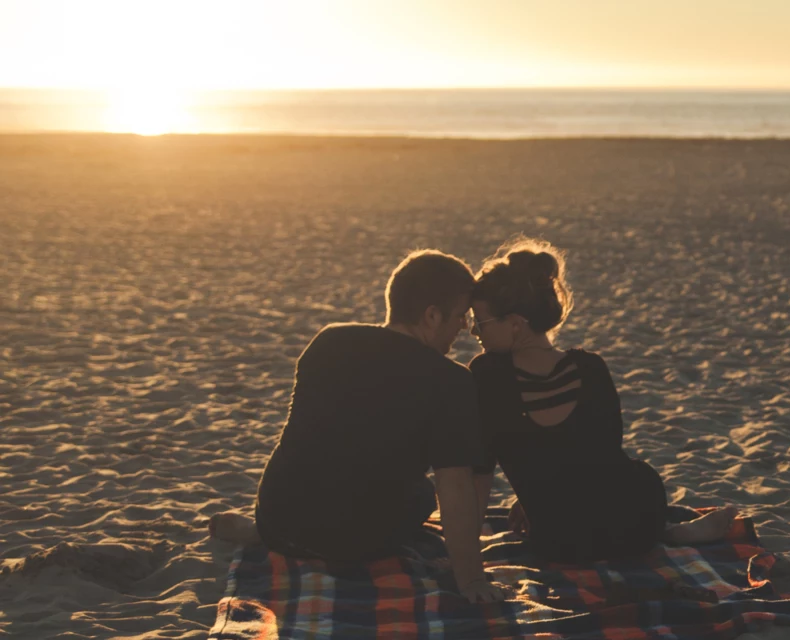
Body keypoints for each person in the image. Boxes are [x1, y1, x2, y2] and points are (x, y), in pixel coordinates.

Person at [209, 249, 505, 603]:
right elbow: (454, 488)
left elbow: (306, 438)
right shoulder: (450, 380)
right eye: (460, 316)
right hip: (348, 543)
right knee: (424, 494)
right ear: (431, 315)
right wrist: (470, 579)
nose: (464, 328)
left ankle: (259, 535)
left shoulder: (329, 340)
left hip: (275, 519)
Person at [468, 238, 737, 563]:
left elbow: (480, 472)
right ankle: (669, 533)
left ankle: (670, 533)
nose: (473, 332)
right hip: (632, 527)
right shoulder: (589, 367)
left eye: (479, 321)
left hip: (558, 539)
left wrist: (470, 550)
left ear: (514, 324)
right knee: (635, 477)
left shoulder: (486, 375)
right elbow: (600, 457)